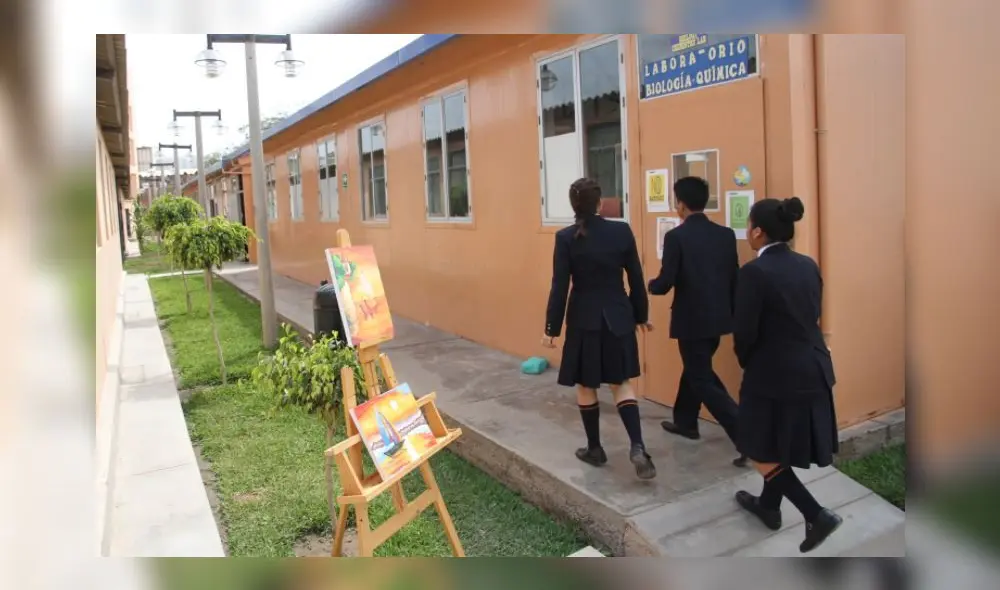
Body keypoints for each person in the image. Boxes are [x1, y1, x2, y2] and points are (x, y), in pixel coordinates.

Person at [732, 197, 842, 553]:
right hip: (814, 367)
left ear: (758, 232)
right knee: (775, 441)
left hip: (774, 372)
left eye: (749, 225)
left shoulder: (754, 272)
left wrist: (747, 361)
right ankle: (768, 506)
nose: (748, 231)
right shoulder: (807, 265)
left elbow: (745, 333)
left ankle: (816, 514)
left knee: (755, 445)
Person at [542, 177, 656, 480]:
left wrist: (551, 328)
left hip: (584, 320)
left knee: (586, 384)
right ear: (600, 202)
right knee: (621, 383)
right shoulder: (621, 231)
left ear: (573, 205)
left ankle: (595, 448)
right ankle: (638, 446)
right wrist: (641, 315)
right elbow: (635, 277)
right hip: (618, 316)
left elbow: (560, 286)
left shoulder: (566, 237)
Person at [647, 176, 746, 467]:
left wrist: (651, 285)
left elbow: (667, 281)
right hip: (719, 317)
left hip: (691, 320)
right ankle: (686, 422)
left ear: (680, 204)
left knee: (701, 376)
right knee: (696, 368)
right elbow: (734, 276)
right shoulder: (725, 234)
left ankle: (746, 436)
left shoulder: (676, 237)